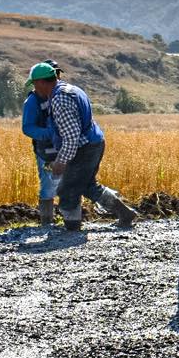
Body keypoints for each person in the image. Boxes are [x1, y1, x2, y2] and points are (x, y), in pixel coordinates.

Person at [28, 62, 137, 231]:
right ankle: (125, 213)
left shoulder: (60, 100)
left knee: (67, 189)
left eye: (34, 84)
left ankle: (72, 228)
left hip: (84, 148)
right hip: (93, 143)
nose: (35, 89)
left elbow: (71, 138)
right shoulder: (72, 89)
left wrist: (61, 162)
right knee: (87, 185)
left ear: (42, 82)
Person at [21, 59, 62, 226]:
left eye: (57, 74)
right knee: (48, 185)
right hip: (46, 151)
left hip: (65, 148)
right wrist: (50, 134)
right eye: (54, 74)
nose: (57, 78)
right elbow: (28, 128)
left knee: (70, 183)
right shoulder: (32, 101)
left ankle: (71, 218)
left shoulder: (61, 95)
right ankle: (47, 222)